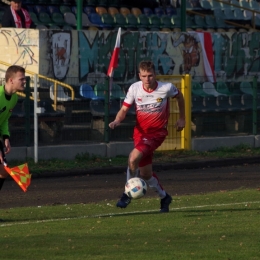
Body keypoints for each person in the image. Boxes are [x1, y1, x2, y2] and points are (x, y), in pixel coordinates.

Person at [109, 61, 185, 213]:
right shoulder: (135, 88)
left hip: (156, 134)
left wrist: (182, 118)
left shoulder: (166, 88)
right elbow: (124, 109)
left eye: (150, 75)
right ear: (139, 76)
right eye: (144, 76)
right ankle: (164, 197)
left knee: (133, 157)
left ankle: (126, 194)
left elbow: (180, 97)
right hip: (140, 133)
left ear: (155, 75)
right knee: (145, 173)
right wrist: (117, 120)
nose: (148, 79)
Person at [0, 65, 26, 195]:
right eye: (21, 79)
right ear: (11, 80)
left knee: (3, 171)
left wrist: (6, 137)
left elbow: (4, 119)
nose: (25, 81)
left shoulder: (14, 98)